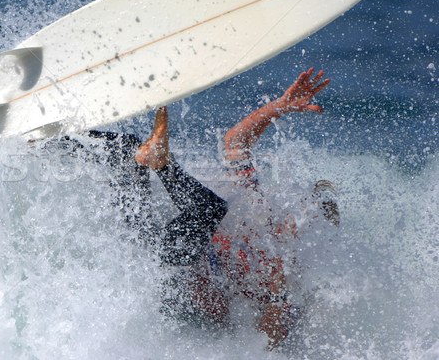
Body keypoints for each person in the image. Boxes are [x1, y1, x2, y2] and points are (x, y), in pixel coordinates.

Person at [133, 68, 332, 348]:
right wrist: (280, 106)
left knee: (200, 212)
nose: (290, 224)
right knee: (133, 156)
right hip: (176, 267)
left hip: (180, 285)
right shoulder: (257, 211)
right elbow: (235, 142)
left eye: (298, 223)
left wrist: (276, 296)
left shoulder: (288, 284)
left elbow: (268, 340)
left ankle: (158, 161)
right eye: (293, 216)